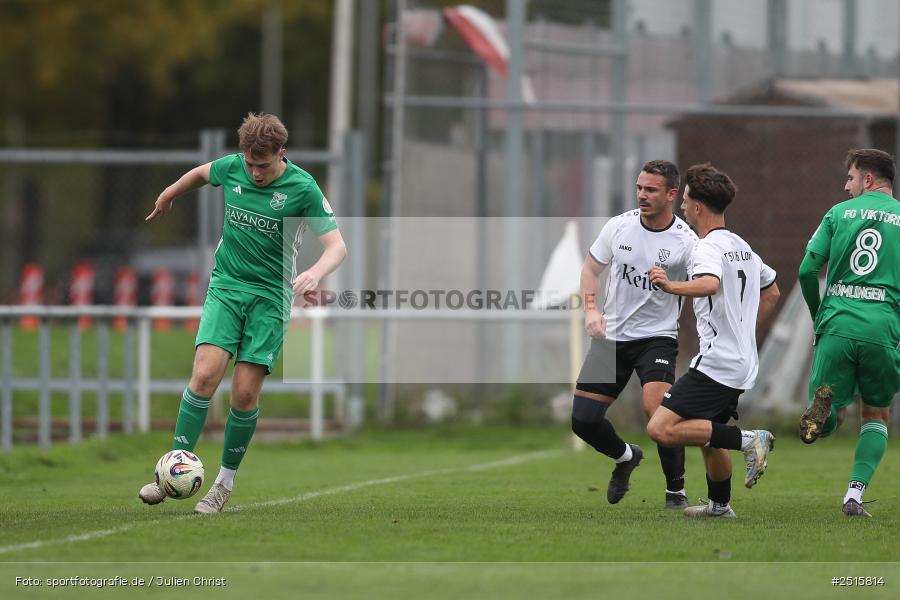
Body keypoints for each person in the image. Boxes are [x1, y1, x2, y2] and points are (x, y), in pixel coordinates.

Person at [139, 113, 347, 513]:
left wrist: (315, 273)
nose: (254, 173)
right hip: (227, 287)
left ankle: (223, 484)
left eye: (263, 165)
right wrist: (170, 192)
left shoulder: (303, 187)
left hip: (270, 297)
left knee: (245, 392)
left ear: (281, 154)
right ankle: (169, 474)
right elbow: (202, 173)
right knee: (203, 375)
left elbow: (337, 246)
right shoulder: (233, 168)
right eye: (249, 164)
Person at [646, 163, 780, 519]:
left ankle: (750, 439)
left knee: (660, 428)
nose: (683, 206)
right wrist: (743, 331)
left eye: (686, 200)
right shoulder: (742, 246)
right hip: (740, 360)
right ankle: (720, 506)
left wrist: (670, 285)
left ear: (699, 206)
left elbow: (709, 283)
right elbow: (773, 291)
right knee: (709, 435)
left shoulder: (705, 248)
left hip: (718, 364)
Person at [573, 160, 698, 509]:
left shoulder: (686, 242)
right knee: (582, 421)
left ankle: (675, 490)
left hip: (656, 338)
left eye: (651, 189)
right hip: (611, 337)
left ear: (672, 194)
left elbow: (705, 285)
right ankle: (626, 457)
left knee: (657, 411)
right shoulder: (619, 227)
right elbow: (591, 268)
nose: (642, 195)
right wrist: (592, 310)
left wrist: (672, 285)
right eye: (639, 188)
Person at [797, 148, 900, 518]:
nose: (846, 186)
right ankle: (853, 495)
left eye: (851, 178)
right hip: (882, 327)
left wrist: (817, 314)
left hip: (837, 323)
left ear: (868, 179)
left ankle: (824, 415)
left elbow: (807, 270)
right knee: (876, 413)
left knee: (831, 416)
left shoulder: (837, 214)